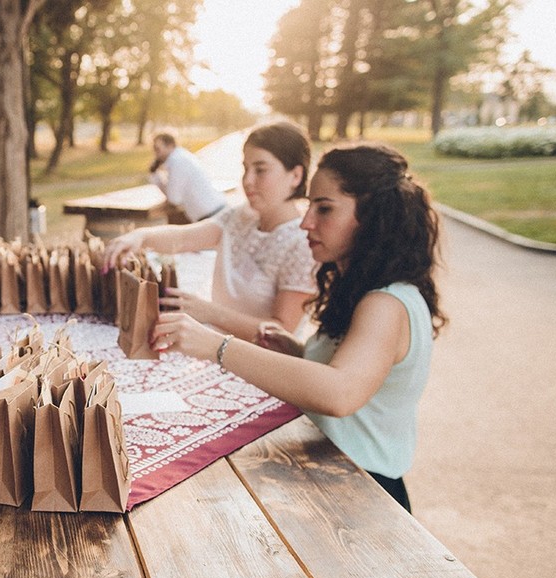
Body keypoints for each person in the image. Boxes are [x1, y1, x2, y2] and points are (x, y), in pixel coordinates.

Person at [149, 143, 446, 512]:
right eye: (309, 207)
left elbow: (340, 393)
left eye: (324, 209)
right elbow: (350, 374)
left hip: (365, 496)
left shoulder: (386, 304)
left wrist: (216, 346)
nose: (307, 222)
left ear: (373, 217)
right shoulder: (362, 288)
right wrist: (297, 352)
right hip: (334, 476)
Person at [104, 121, 317, 340]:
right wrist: (141, 236)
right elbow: (185, 237)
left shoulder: (303, 243)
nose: (247, 180)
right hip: (216, 345)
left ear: (296, 176)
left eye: (260, 170)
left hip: (263, 365)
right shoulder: (242, 216)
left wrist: (209, 313)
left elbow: (281, 333)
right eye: (245, 168)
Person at [148, 132, 226, 224]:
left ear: (170, 146)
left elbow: (174, 199)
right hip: (213, 212)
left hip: (212, 215)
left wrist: (156, 178)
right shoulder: (181, 156)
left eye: (158, 149)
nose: (156, 154)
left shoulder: (177, 161)